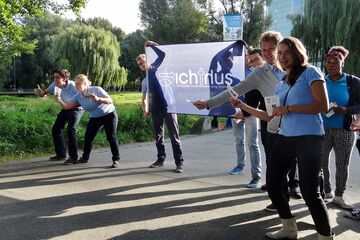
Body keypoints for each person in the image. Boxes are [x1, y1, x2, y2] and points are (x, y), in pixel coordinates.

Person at [231, 37, 334, 239]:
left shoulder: (311, 73)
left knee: (309, 191)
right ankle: (288, 227)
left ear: (298, 53)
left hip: (309, 138)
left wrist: (288, 109)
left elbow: (322, 105)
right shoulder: (281, 84)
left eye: (287, 52)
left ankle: (325, 235)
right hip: (285, 137)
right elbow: (269, 115)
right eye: (280, 53)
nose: (282, 56)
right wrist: (243, 106)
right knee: (273, 183)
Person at [194, 31, 302, 210]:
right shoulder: (260, 73)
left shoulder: (298, 69)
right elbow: (234, 90)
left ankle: (312, 203)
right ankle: (281, 202)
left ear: (282, 48)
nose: (268, 53)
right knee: (275, 165)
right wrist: (208, 103)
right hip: (274, 126)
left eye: (272, 49)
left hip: (300, 126)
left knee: (305, 168)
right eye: (265, 49)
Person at [321, 46, 360, 210]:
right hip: (322, 129)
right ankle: (327, 190)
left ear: (342, 63)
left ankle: (339, 196)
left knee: (342, 164)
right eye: (328, 62)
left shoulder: (353, 82)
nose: (331, 65)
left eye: (335, 62)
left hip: (345, 129)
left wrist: (347, 111)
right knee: (321, 162)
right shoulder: (321, 80)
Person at [136, 40, 184, 173]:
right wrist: (145, 109)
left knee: (174, 136)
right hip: (156, 109)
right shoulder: (145, 80)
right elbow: (144, 97)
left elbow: (163, 54)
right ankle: (160, 159)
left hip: (169, 107)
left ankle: (179, 163)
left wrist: (152, 45)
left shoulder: (159, 68)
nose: (141, 65)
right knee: (158, 136)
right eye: (139, 64)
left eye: (143, 62)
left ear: (148, 60)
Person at [55, 74, 120, 168]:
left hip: (109, 115)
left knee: (111, 137)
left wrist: (98, 99)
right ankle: (85, 158)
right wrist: (59, 100)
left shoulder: (96, 89)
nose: (76, 85)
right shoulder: (78, 96)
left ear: (85, 84)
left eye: (78, 83)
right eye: (75, 83)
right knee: (88, 138)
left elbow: (110, 100)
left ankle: (116, 160)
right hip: (95, 117)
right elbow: (67, 106)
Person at [228, 47, 262, 190]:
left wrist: (247, 111)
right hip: (236, 110)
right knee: (238, 140)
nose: (246, 59)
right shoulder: (234, 71)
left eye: (247, 55)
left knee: (252, 143)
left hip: (251, 112)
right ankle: (239, 165)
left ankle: (256, 176)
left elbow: (258, 97)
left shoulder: (256, 71)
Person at [34, 69, 84, 164]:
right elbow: (43, 93)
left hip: (77, 108)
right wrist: (39, 92)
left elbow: (81, 100)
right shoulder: (54, 85)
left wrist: (64, 103)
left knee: (71, 129)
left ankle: (73, 158)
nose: (55, 79)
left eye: (57, 77)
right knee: (56, 128)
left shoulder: (73, 86)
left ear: (64, 78)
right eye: (54, 77)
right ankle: (61, 154)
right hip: (65, 107)